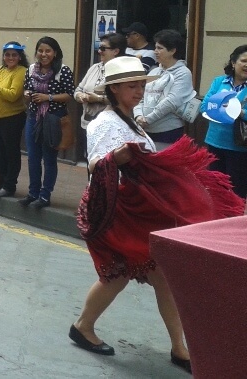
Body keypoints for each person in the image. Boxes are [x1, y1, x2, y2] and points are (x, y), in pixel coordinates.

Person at [72, 56, 244, 374]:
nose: (139, 91)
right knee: (118, 275)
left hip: (141, 212)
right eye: (132, 86)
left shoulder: (130, 118)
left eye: (141, 85)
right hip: (119, 214)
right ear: (113, 90)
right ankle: (83, 325)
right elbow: (96, 164)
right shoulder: (103, 122)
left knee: (162, 277)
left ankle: (179, 348)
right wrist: (116, 156)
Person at [20, 36, 74, 209]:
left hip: (53, 118)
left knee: (49, 159)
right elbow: (26, 88)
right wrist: (28, 94)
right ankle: (33, 193)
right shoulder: (31, 70)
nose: (44, 54)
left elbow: (69, 95)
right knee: (33, 158)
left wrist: (47, 97)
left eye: (48, 51)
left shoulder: (63, 71)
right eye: (40, 51)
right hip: (34, 117)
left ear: (55, 53)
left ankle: (45, 195)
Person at [200, 44, 247, 198]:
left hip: (239, 147)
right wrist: (221, 107)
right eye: (244, 61)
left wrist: (240, 112)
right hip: (215, 141)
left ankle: (234, 220)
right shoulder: (219, 82)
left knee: (237, 190)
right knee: (215, 187)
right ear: (233, 63)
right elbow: (204, 106)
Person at [0, 42, 28, 198]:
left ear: (20, 57)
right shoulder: (0, 70)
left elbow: (13, 95)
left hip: (13, 118)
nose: (10, 58)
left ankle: (9, 186)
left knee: (11, 152)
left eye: (14, 55)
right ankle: (1, 182)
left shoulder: (21, 71)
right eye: (7, 55)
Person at [133, 29, 192, 146]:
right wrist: (138, 115)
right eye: (155, 47)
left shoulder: (183, 73)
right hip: (144, 130)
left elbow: (172, 101)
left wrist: (148, 119)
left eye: (160, 48)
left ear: (172, 51)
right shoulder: (154, 71)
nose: (155, 51)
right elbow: (139, 95)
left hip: (168, 131)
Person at [75, 33, 127, 131]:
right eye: (99, 48)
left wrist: (98, 99)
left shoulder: (123, 71)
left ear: (116, 51)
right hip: (87, 125)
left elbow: (123, 99)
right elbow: (78, 89)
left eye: (103, 48)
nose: (99, 51)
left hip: (111, 127)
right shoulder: (94, 68)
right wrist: (80, 96)